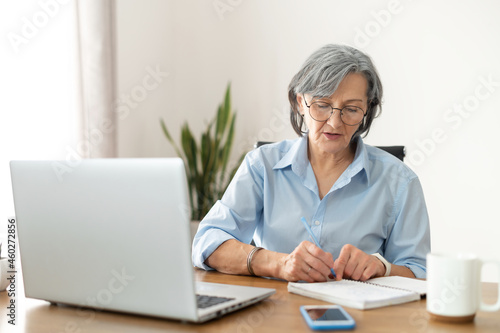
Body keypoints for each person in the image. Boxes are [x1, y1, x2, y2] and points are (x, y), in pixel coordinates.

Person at [192, 44, 430, 282]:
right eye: (322, 105)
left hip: (361, 315)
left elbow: (420, 272)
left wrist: (383, 268)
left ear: (366, 111)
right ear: (299, 103)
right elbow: (207, 242)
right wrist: (278, 264)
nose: (335, 123)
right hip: (273, 313)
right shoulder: (261, 165)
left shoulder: (400, 182)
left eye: (351, 109)